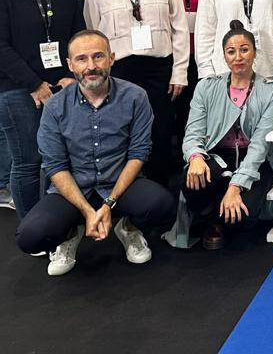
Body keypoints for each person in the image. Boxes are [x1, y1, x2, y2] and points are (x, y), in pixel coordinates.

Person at [16, 30, 176, 276]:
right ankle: (70, 233)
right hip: (73, 189)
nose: (91, 66)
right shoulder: (55, 107)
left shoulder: (135, 97)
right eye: (81, 59)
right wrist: (87, 211)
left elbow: (138, 153)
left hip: (120, 185)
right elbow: (55, 166)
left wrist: (108, 204)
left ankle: (128, 228)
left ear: (111, 58)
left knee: (163, 206)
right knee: (30, 237)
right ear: (70, 65)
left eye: (98, 56)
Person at [84, 0, 190, 186]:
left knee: (159, 135)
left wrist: (179, 72)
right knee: (121, 136)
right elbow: (94, 37)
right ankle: (123, 196)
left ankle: (159, 197)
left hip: (160, 71)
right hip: (119, 73)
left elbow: (179, 29)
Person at [0, 0, 85, 217]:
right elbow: (1, 47)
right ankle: (30, 228)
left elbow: (78, 36)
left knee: (59, 161)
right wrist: (34, 85)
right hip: (17, 89)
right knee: (27, 162)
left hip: (62, 86)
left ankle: (54, 222)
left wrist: (71, 75)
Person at [182, 20, 273, 250]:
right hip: (217, 156)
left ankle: (222, 211)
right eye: (231, 51)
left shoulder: (271, 91)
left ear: (254, 52)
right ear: (224, 56)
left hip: (253, 160)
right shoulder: (206, 87)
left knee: (243, 218)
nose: (238, 57)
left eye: (244, 50)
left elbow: (260, 145)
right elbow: (192, 133)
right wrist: (195, 156)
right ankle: (212, 218)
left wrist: (236, 186)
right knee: (192, 179)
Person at [155, 0, 216, 164]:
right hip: (170, 53)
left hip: (203, 54)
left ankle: (194, 163)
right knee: (167, 113)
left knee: (196, 113)